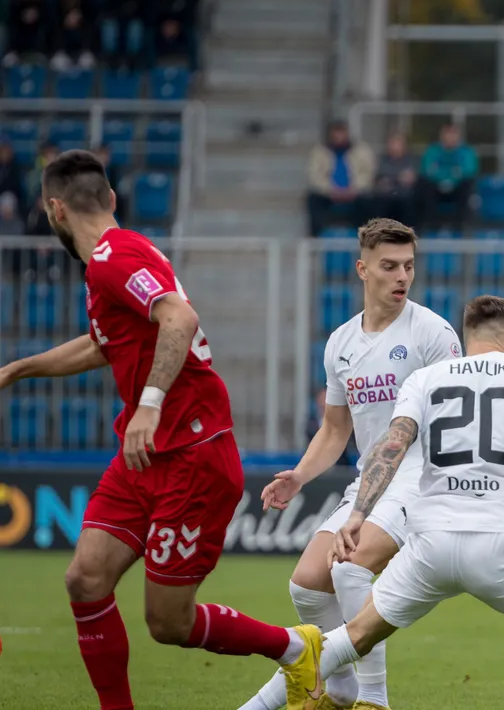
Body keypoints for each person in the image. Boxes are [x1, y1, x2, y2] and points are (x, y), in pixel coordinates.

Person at [0, 150, 321, 710]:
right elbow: (108, 343)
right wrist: (21, 368)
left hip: (192, 454)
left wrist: (149, 403)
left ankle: (295, 648)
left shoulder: (110, 258)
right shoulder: (121, 254)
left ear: (54, 210)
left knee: (167, 622)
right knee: (86, 579)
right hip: (145, 455)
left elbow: (180, 317)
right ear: (112, 200)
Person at [301, 296, 504, 710]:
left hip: (431, 545)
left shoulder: (425, 378)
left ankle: (261, 700)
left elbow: (392, 445)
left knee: (352, 637)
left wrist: (359, 514)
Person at [240, 218, 462, 710]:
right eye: (389, 266)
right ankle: (340, 690)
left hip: (422, 476)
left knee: (349, 568)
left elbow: (452, 424)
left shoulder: (433, 333)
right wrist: (299, 474)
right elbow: (336, 429)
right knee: (306, 585)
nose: (402, 276)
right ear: (363, 269)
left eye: (408, 266)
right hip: (371, 481)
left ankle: (375, 701)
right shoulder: (340, 343)